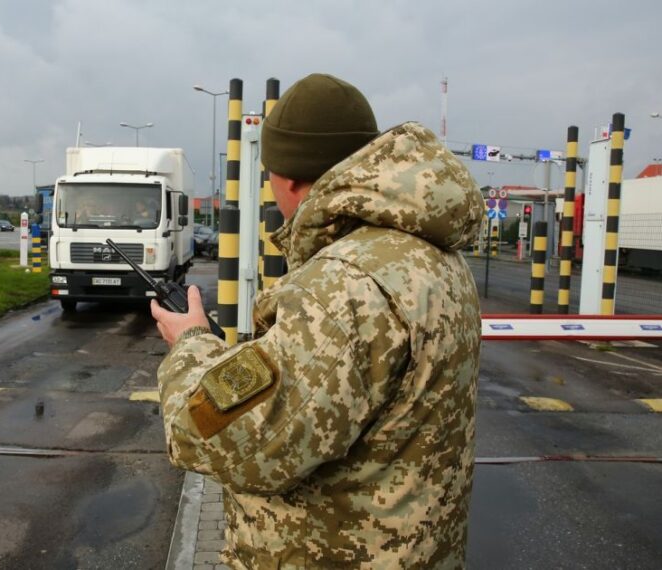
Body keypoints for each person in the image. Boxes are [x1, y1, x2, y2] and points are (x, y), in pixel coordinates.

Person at [150, 73, 484, 569]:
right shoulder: (433, 258)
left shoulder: (343, 285)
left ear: (286, 178)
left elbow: (222, 436)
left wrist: (191, 344)